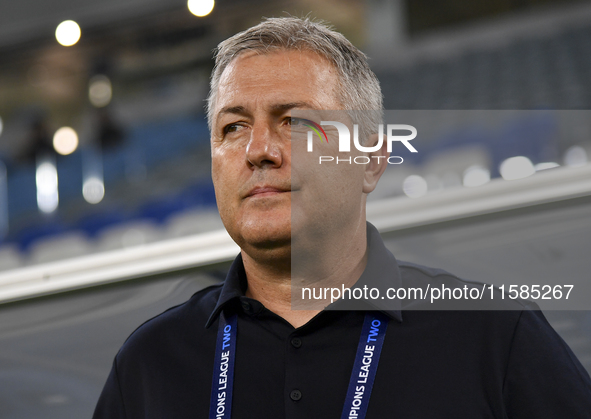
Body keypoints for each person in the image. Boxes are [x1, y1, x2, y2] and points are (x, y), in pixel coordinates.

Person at [93, 17, 591, 418]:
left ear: (371, 160)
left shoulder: (492, 335)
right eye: (234, 127)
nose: (258, 149)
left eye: (295, 122)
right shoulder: (149, 364)